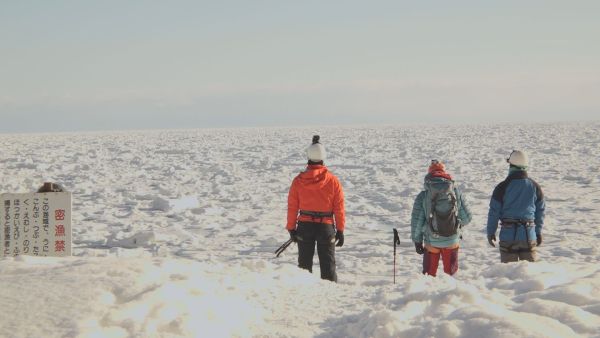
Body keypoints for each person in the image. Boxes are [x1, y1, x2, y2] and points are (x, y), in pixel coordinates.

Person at [286, 135, 345, 282]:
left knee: (304, 267)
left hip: (305, 227)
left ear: (308, 156)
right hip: (326, 227)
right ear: (323, 157)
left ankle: (304, 295)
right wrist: (341, 230)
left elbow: (293, 207)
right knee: (328, 267)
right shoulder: (333, 181)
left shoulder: (298, 181)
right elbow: (339, 208)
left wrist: (291, 228)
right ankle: (331, 295)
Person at [411, 160, 472, 276]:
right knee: (451, 276)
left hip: (431, 241)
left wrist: (417, 241)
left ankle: (428, 293)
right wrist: (455, 224)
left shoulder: (423, 196)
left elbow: (417, 221)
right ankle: (449, 292)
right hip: (452, 240)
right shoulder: (455, 192)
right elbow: (467, 218)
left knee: (428, 276)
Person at [487, 150, 545, 263]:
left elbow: (494, 212)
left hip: (508, 237)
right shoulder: (534, 187)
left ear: (511, 165)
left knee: (509, 276)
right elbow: (540, 211)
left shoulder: (502, 187)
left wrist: (491, 232)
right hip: (529, 236)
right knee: (530, 276)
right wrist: (538, 232)